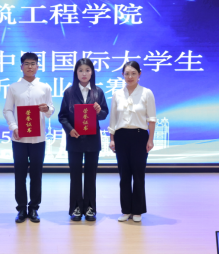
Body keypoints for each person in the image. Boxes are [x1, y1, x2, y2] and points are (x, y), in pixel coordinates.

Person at [3, 52, 54, 223]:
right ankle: (21, 209)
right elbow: (7, 110)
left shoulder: (45, 87)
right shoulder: (13, 87)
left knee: (36, 174)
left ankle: (34, 208)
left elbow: (50, 110)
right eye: (26, 63)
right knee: (20, 174)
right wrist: (14, 127)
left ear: (37, 66)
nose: (30, 67)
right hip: (19, 138)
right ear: (21, 67)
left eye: (33, 63)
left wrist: (47, 109)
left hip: (38, 138)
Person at [58, 59, 109, 221]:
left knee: (90, 175)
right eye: (81, 70)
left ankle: (90, 208)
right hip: (75, 139)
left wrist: (99, 111)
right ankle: (76, 208)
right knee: (75, 175)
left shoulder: (98, 92)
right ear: (76, 73)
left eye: (87, 70)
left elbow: (104, 114)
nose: (84, 73)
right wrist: (70, 129)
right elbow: (62, 116)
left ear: (92, 72)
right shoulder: (69, 92)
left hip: (92, 140)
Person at [108, 61, 156, 223]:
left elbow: (152, 119)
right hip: (121, 136)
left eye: (133, 73)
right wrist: (112, 139)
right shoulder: (117, 94)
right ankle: (125, 210)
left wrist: (150, 139)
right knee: (124, 176)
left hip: (139, 136)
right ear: (122, 75)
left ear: (139, 75)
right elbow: (113, 118)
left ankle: (137, 210)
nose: (130, 77)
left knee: (138, 174)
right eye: (127, 73)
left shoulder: (147, 93)